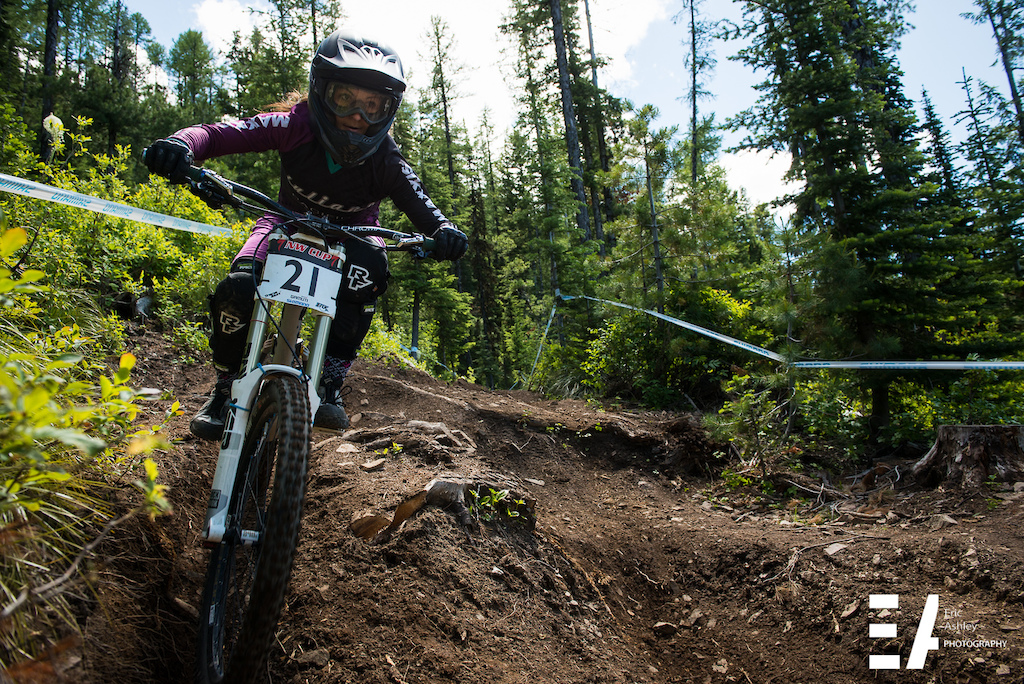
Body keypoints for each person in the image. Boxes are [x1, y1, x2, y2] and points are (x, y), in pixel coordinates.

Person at [144, 30, 467, 441]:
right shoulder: (295, 124)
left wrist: (443, 231)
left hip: (353, 235)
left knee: (369, 271)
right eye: (345, 99)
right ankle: (225, 386)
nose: (358, 117)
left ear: (389, 110)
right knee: (239, 288)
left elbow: (423, 206)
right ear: (321, 91)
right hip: (283, 221)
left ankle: (330, 380)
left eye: (373, 106)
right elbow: (220, 132)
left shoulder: (386, 158)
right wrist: (180, 144)